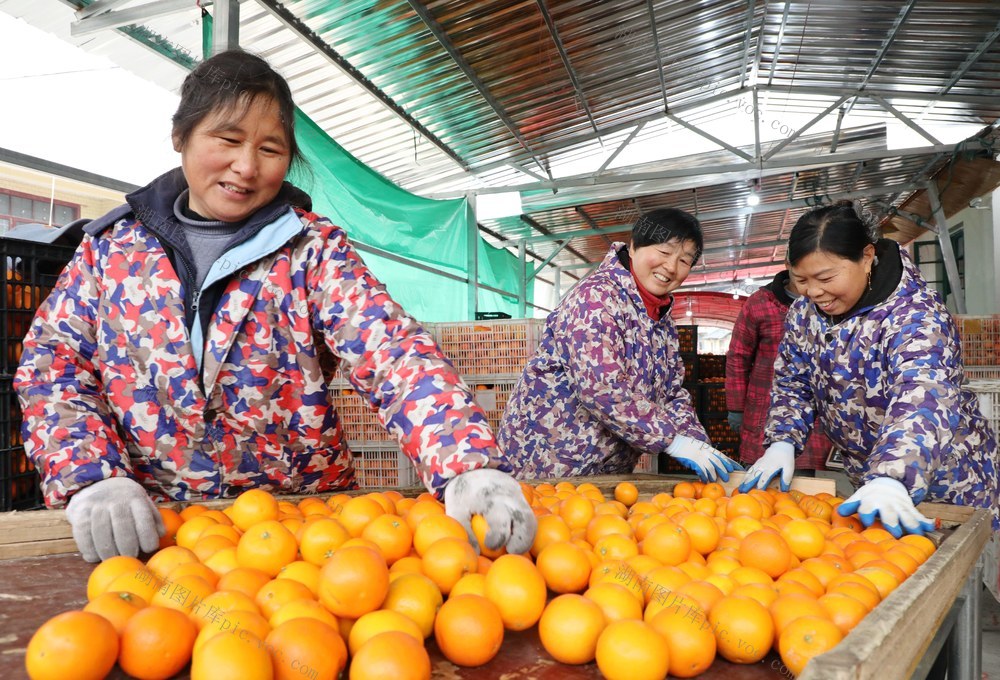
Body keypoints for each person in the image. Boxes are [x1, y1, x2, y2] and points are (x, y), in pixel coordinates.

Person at [14, 49, 534, 562]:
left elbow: (392, 351)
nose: (246, 167)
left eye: (270, 148)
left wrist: (467, 463)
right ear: (181, 136)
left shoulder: (312, 250)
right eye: (228, 139)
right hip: (161, 533)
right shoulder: (111, 249)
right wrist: (93, 476)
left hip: (306, 537)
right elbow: (52, 366)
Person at [739, 201, 998, 536]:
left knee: (940, 560)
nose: (813, 291)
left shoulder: (915, 315)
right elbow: (794, 381)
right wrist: (783, 440)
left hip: (948, 484)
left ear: (866, 257)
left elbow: (923, 397)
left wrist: (892, 477)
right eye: (800, 279)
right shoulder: (805, 313)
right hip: (871, 483)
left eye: (825, 277)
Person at [498, 208, 740, 482]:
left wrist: (696, 442)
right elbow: (601, 386)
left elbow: (671, 393)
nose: (671, 267)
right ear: (634, 246)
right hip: (549, 463)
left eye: (684, 260)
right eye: (664, 252)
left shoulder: (661, 320)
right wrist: (671, 440)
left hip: (602, 473)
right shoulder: (595, 298)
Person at [726, 269, 832, 473]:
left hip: (820, 416)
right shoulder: (760, 303)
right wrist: (736, 407)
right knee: (764, 477)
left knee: (812, 481)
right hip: (765, 410)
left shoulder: (830, 302)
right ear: (789, 264)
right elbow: (738, 357)